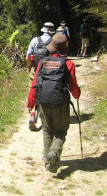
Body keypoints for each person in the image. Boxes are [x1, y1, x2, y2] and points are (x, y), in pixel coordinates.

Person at [27, 34, 81, 173]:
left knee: (46, 130)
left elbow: (35, 84)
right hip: (60, 104)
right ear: (64, 49)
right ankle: (54, 154)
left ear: (52, 48)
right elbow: (73, 87)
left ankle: (48, 160)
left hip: (43, 102)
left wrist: (31, 103)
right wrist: (77, 94)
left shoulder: (42, 62)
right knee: (61, 131)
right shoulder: (68, 64)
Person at [25, 22, 55, 130]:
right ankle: (48, 115)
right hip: (49, 72)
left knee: (33, 90)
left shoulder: (35, 40)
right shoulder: (54, 42)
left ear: (43, 30)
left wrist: (30, 68)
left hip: (35, 70)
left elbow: (27, 57)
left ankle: (32, 114)